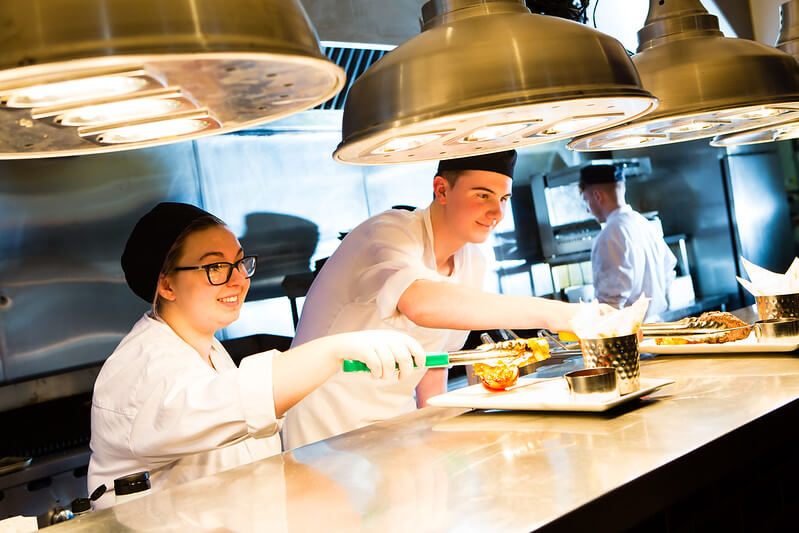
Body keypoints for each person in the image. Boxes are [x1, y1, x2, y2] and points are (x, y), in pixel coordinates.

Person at [87, 202, 424, 508]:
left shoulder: (208, 350)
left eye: (239, 262)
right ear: (167, 285)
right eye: (215, 267)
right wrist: (334, 349)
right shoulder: (141, 368)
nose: (237, 279)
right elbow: (233, 401)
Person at [284, 150, 608, 449]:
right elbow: (420, 303)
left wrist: (436, 431)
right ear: (441, 190)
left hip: (395, 419)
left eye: (504, 198)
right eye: (482, 195)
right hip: (327, 425)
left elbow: (434, 359)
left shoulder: (473, 262)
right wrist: (557, 314)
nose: (496, 211)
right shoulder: (387, 233)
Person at [579, 164, 677, 321]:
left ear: (597, 196)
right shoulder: (644, 222)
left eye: (586, 200)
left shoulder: (610, 235)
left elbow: (610, 303)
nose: (587, 210)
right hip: (658, 323)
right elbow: (669, 267)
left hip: (631, 333)